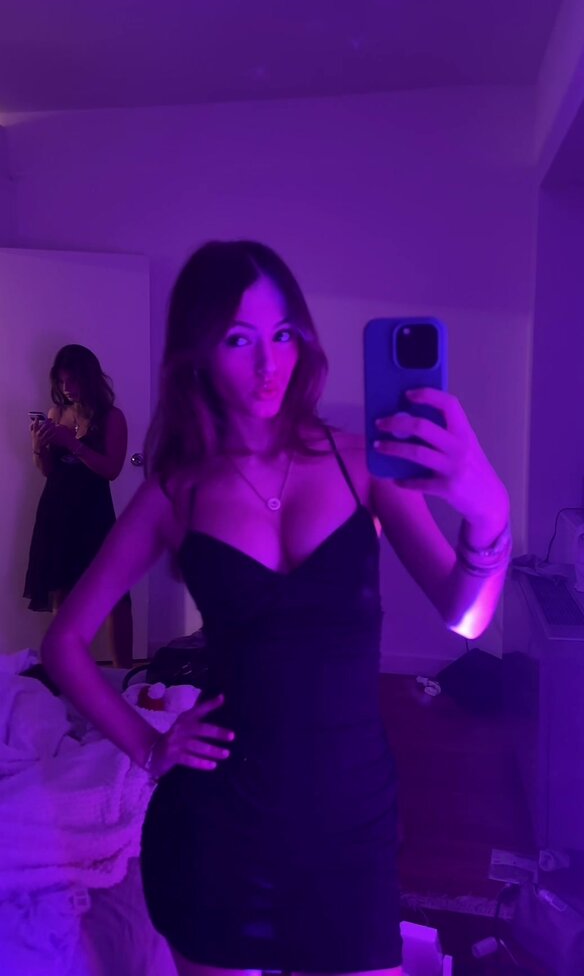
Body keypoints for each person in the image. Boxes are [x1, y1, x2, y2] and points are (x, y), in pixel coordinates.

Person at [41, 241, 511, 976]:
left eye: (283, 333)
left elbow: (466, 615)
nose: (269, 364)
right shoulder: (177, 489)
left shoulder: (363, 463)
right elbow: (65, 642)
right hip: (219, 828)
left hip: (352, 821)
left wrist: (488, 507)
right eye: (239, 339)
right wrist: (149, 746)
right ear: (199, 352)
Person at [25, 344, 133, 668]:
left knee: (114, 592)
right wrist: (38, 446)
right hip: (57, 511)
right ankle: (68, 669)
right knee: (62, 590)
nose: (66, 388)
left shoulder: (111, 417)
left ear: (89, 378)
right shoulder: (56, 414)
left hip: (94, 513)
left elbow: (111, 470)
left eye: (72, 380)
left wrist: (71, 443)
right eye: (61, 381)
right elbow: (48, 470)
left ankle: (123, 671)